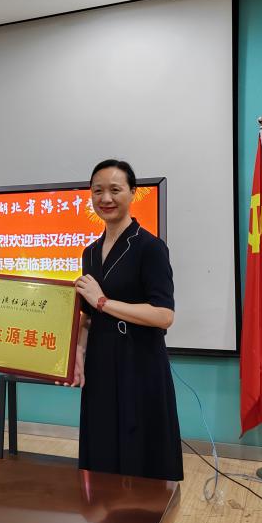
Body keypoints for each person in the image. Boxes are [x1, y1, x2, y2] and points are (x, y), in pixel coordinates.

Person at [63, 159, 183, 481]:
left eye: (115, 190)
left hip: (139, 364)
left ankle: (143, 511)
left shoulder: (150, 247)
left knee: (140, 454)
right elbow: (88, 316)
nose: (106, 198)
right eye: (97, 191)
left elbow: (164, 315)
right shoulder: (90, 252)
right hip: (100, 365)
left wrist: (104, 301)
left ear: (133, 193)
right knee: (102, 452)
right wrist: (78, 353)